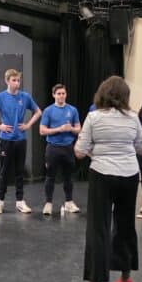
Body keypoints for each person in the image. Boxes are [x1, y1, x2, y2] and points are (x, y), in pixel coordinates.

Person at [75, 76, 142, 282]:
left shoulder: (94, 117)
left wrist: (95, 151)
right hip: (129, 175)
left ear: (102, 94)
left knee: (99, 228)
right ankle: (125, 279)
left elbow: (79, 151)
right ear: (125, 96)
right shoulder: (134, 118)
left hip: (102, 175)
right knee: (125, 225)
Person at [0, 69, 41, 214]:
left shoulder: (25, 97)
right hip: (6, 140)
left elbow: (38, 111)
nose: (17, 83)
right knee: (4, 172)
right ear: (7, 81)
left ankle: (20, 201)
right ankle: (0, 202)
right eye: (14, 80)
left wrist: (28, 125)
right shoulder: (0, 97)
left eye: (18, 80)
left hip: (21, 140)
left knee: (19, 172)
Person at [39, 83, 81, 215]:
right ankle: (48, 203)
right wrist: (59, 129)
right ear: (53, 95)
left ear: (66, 94)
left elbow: (78, 128)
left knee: (68, 177)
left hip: (68, 148)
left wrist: (71, 129)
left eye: (63, 93)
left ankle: (69, 202)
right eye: (58, 94)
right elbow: (42, 130)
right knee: (50, 177)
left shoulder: (72, 110)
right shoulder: (48, 111)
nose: (61, 96)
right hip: (53, 148)